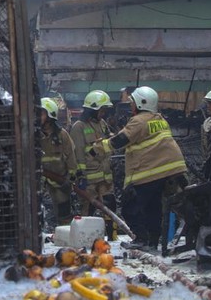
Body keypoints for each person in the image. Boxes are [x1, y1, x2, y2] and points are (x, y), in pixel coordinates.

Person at [92, 86, 187, 251]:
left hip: (149, 172)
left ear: (142, 103)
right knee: (154, 208)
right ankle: (152, 241)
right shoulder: (160, 119)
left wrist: (97, 148)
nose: (131, 106)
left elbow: (120, 141)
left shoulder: (139, 121)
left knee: (130, 207)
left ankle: (141, 240)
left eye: (132, 102)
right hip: (170, 170)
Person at [70, 90, 117, 238]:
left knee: (110, 207)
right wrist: (80, 176)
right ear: (92, 109)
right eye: (101, 110)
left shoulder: (102, 124)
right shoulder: (79, 127)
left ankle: (111, 237)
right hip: (89, 180)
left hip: (105, 177)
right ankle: (84, 238)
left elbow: (108, 143)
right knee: (88, 210)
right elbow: (77, 154)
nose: (103, 113)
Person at [39, 97, 78, 226]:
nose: (38, 116)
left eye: (42, 113)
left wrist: (70, 179)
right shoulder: (33, 135)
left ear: (50, 116)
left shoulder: (62, 135)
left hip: (59, 181)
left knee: (64, 212)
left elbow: (71, 158)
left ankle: (65, 234)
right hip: (39, 181)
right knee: (35, 212)